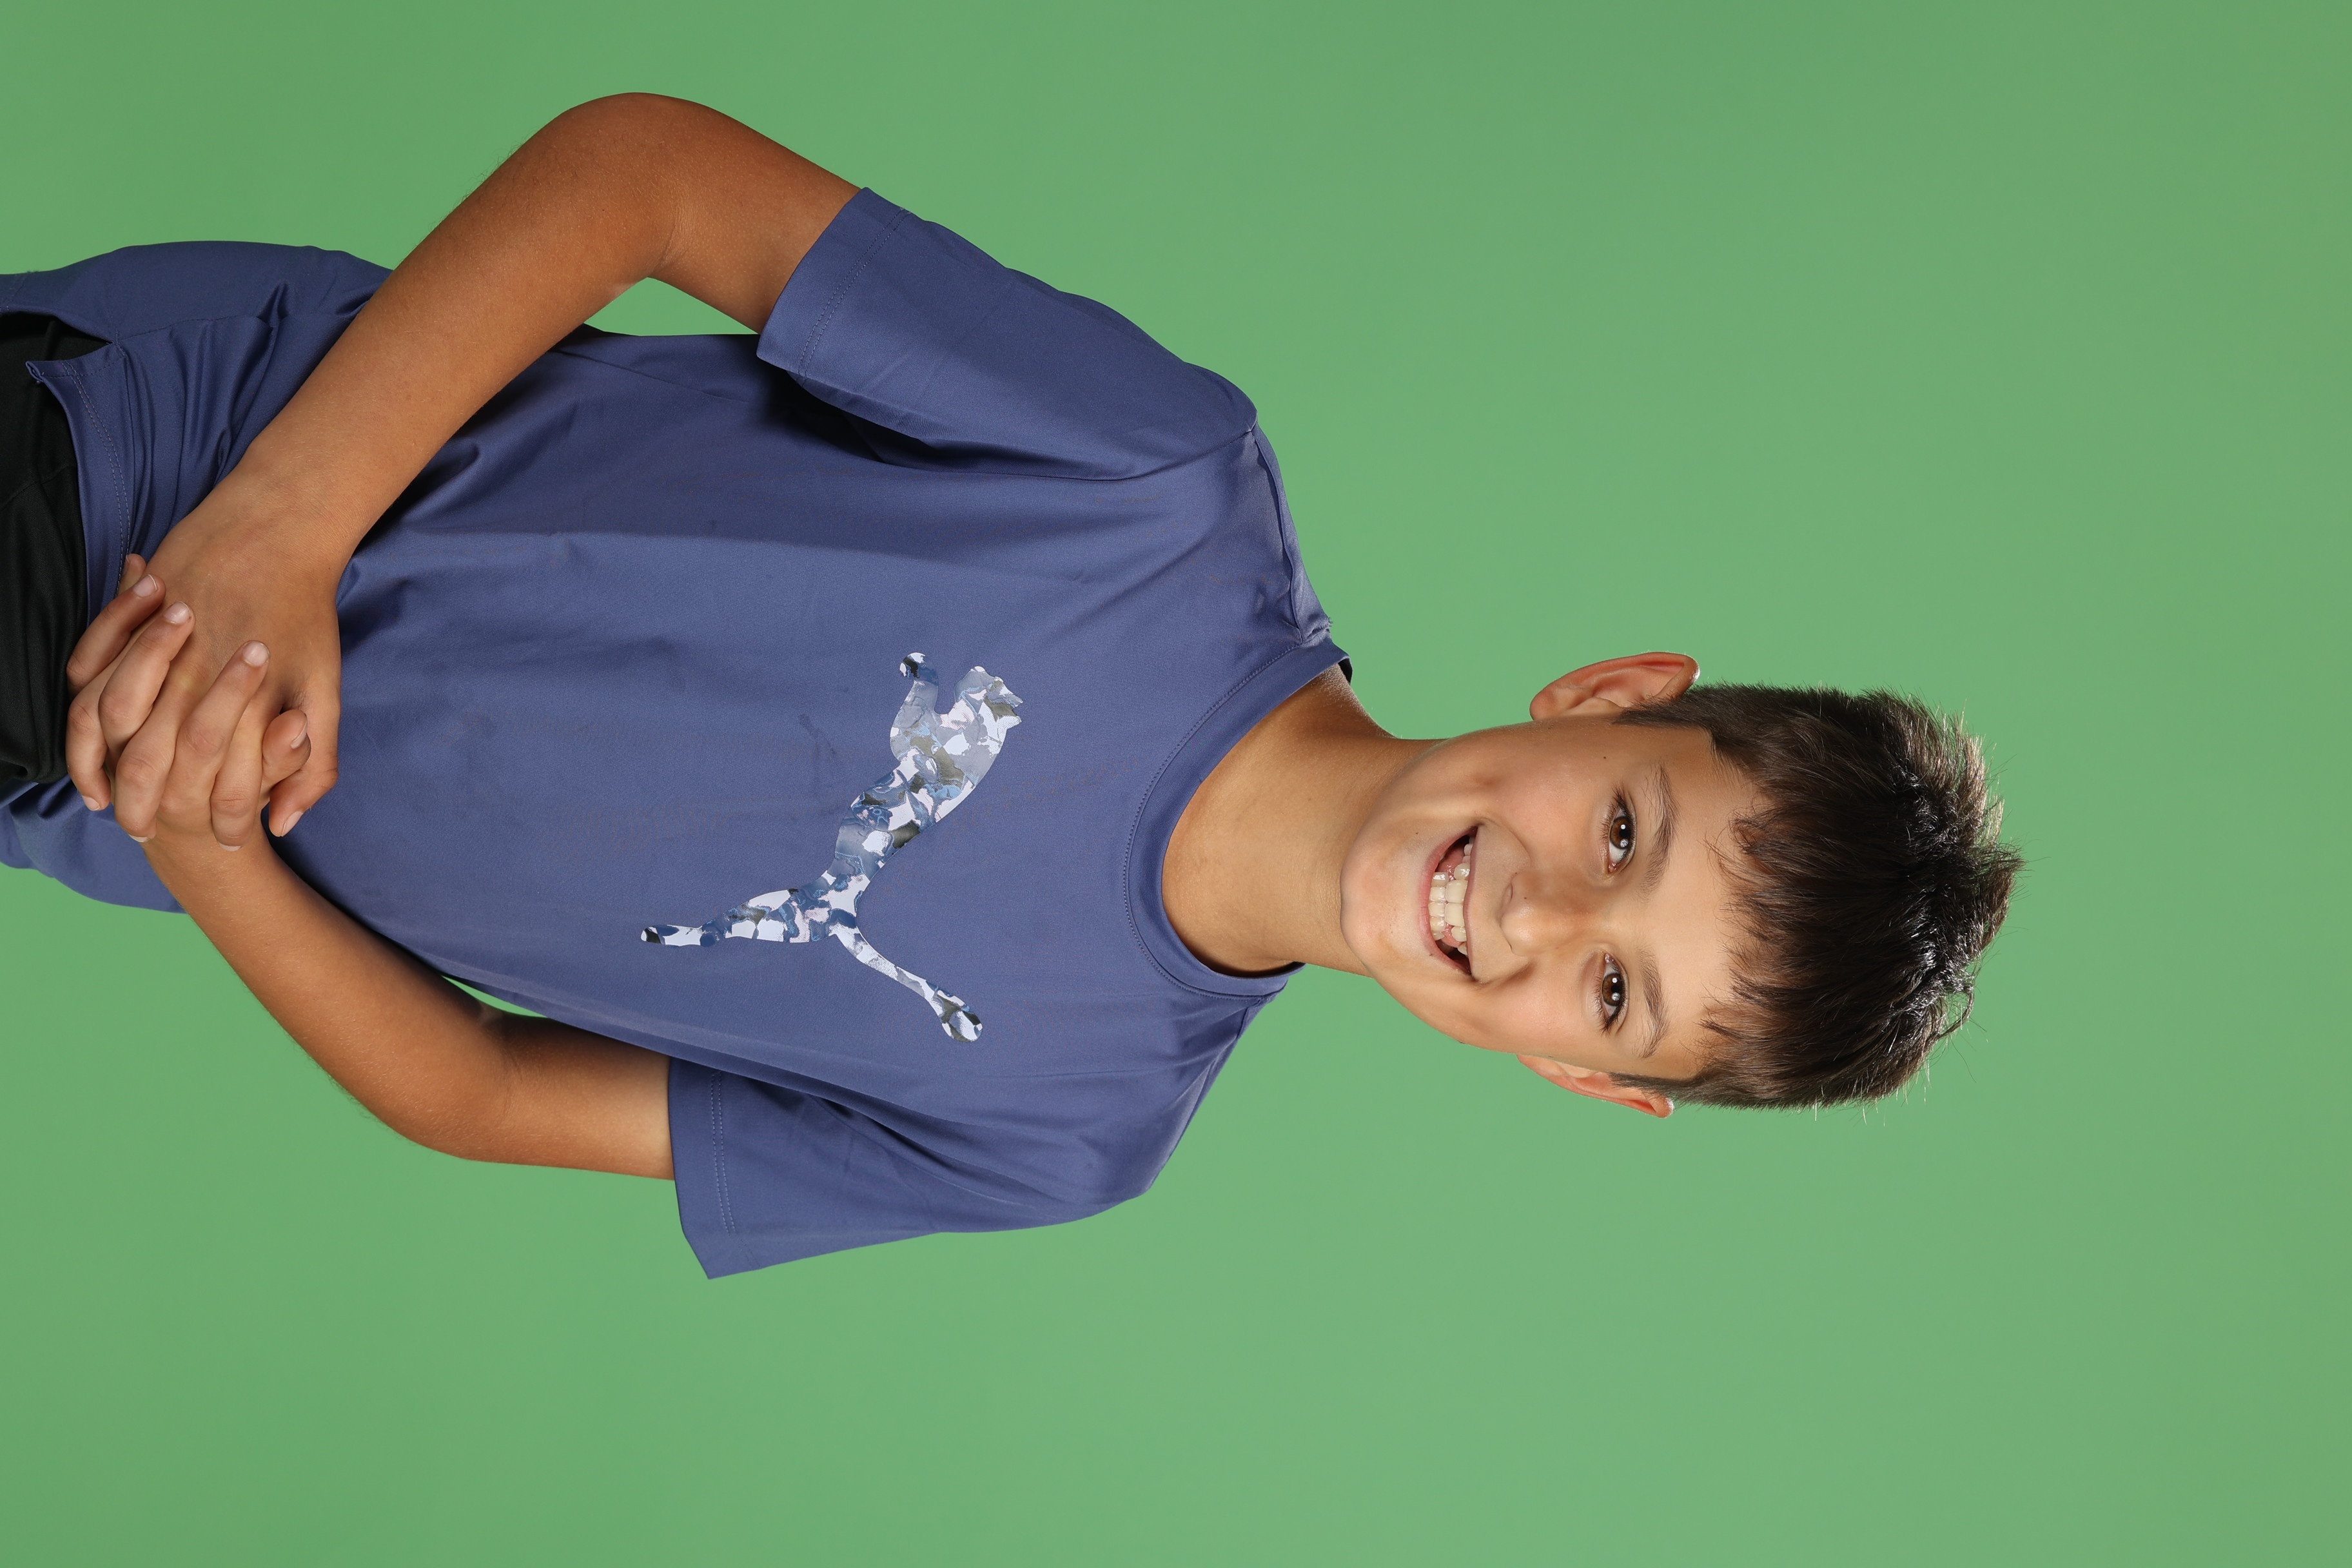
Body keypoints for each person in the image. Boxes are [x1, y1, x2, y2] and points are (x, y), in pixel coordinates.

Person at [1, 96, 2019, 1277]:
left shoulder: (1063, 1135)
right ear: (1611, 693)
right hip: (159, 460)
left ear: (1584, 1077)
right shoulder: (1161, 489)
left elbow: (482, 1091)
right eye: (1627, 832)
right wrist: (281, 530)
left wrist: (203, 839)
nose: (1544, 913)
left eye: (1615, 992)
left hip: (89, 771)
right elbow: (648, 178)